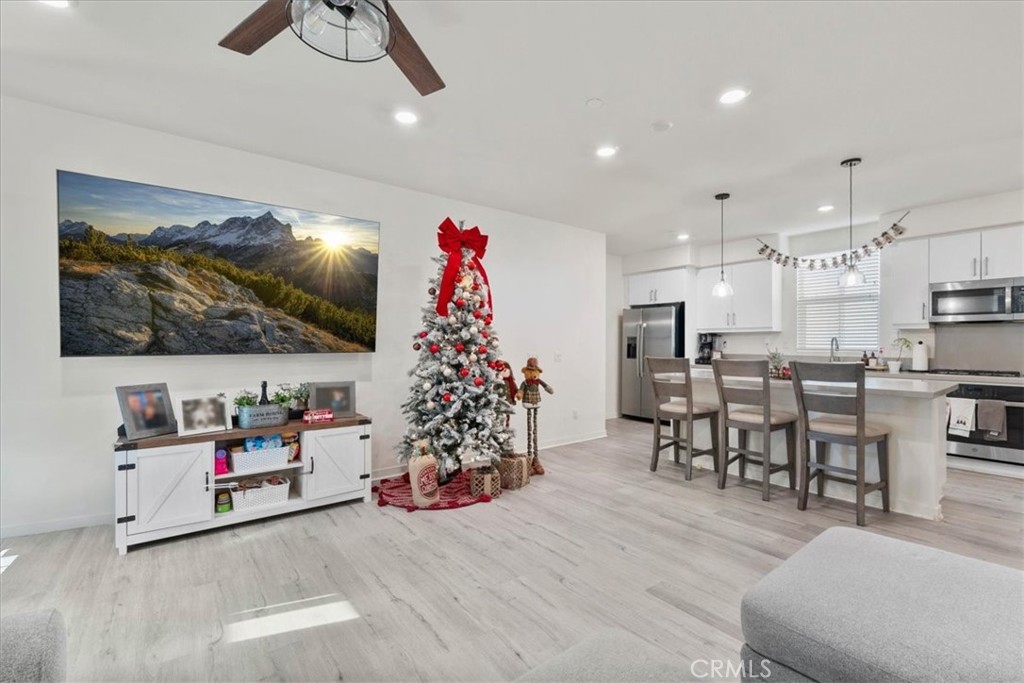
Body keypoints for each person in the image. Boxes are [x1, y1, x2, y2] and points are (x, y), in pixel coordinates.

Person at [515, 357, 553, 475]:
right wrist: (519, 395)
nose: (533, 375)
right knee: (529, 425)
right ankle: (530, 458)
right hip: (527, 402)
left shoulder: (538, 382)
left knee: (535, 427)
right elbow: (520, 391)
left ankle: (536, 459)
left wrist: (549, 389)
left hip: (536, 402)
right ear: (526, 372)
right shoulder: (525, 383)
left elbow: (546, 387)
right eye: (530, 372)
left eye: (534, 372)